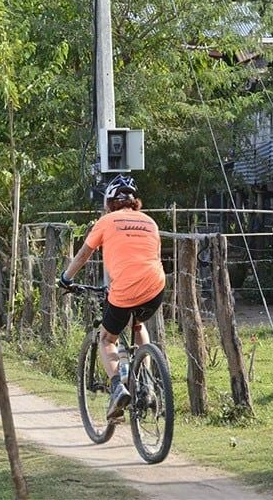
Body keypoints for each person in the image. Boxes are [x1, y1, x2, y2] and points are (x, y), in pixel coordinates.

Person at [59, 175, 165, 420]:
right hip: (155, 287)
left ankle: (117, 387)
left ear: (109, 202)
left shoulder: (106, 221)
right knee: (138, 324)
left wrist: (66, 278)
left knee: (107, 338)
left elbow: (84, 254)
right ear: (134, 201)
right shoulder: (150, 222)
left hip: (124, 290)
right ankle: (147, 384)